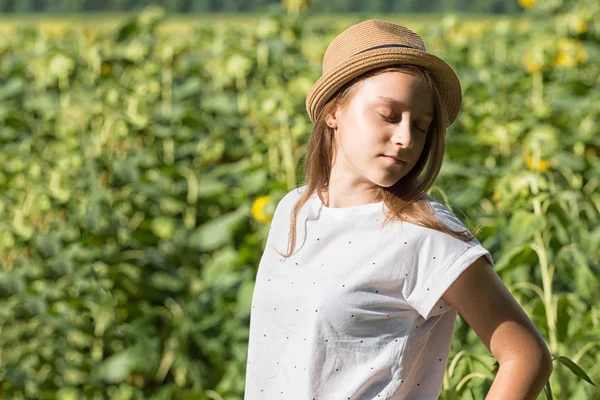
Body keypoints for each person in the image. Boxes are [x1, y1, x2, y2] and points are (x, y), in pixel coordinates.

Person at [244, 19, 552, 399]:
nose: (405, 138)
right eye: (388, 116)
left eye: (421, 126)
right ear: (333, 112)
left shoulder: (425, 232)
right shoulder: (294, 209)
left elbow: (526, 357)